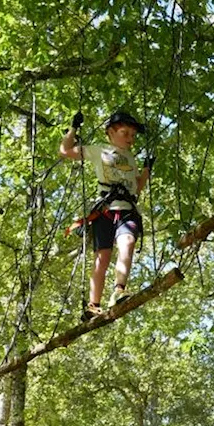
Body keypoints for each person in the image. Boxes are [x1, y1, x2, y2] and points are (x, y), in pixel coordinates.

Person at [59, 110, 154, 316]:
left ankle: (119, 290)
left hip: (127, 210)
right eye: (125, 133)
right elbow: (65, 151)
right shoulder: (98, 151)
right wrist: (73, 129)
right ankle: (94, 305)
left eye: (133, 135)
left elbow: (136, 188)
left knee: (127, 242)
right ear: (110, 132)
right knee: (102, 258)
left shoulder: (130, 158)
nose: (130, 139)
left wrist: (146, 169)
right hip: (105, 211)